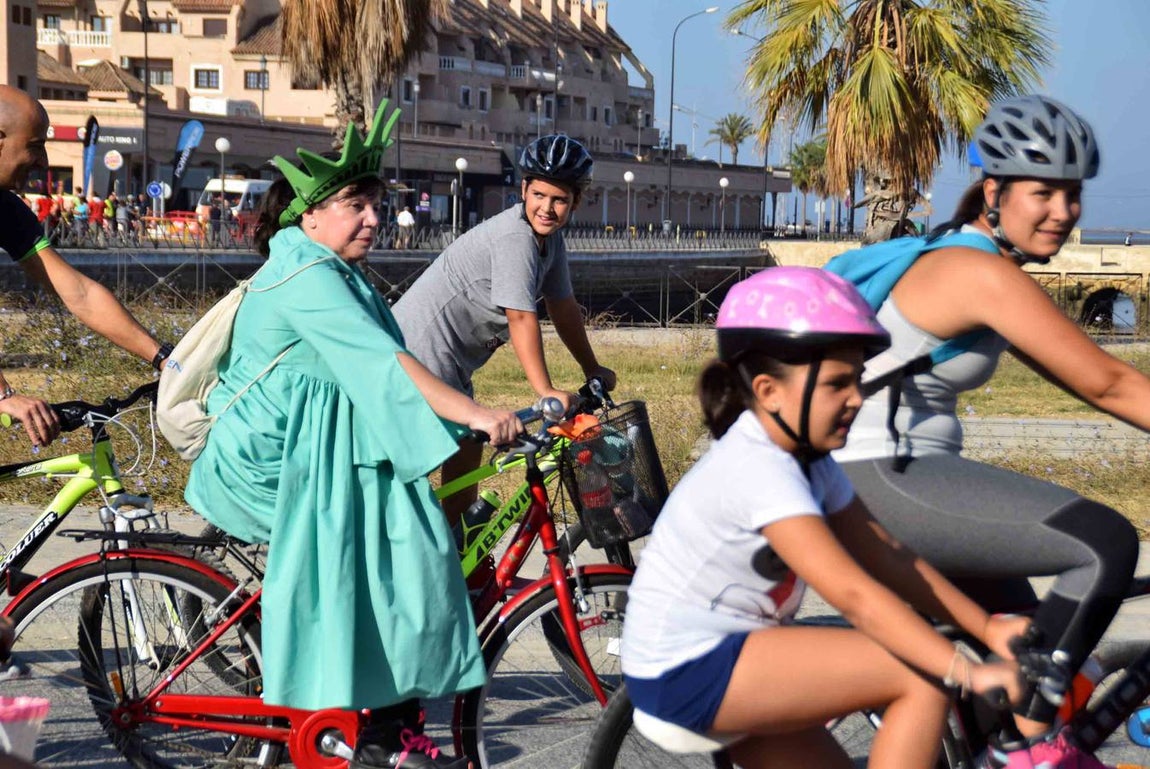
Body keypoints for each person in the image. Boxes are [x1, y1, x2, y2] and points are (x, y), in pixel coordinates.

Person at [183, 100, 521, 769]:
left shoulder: (330, 268)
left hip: (319, 448)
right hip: (277, 463)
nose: (374, 217)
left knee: (409, 537)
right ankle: (376, 735)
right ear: (309, 215)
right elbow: (383, 364)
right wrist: (479, 415)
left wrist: (461, 421)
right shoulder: (310, 275)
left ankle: (381, 722)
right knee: (407, 554)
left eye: (377, 203)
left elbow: (383, 370)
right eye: (353, 204)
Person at [832, 94, 1141, 768]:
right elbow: (1107, 382)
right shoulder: (980, 273)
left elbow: (1094, 381)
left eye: (1073, 193)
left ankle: (1000, 738)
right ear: (994, 191)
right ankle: (1032, 751)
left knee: (1023, 647)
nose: (1064, 211)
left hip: (890, 476)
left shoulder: (962, 257)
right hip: (886, 475)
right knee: (1102, 543)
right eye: (1044, 193)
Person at [620, 267, 1024, 769]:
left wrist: (988, 629)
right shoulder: (759, 466)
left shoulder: (809, 460)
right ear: (768, 391)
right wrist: (967, 671)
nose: (857, 398)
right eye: (837, 384)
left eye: (856, 380)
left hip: (731, 655)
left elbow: (887, 556)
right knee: (921, 677)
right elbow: (857, 596)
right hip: (688, 668)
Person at [393, 134, 616, 523]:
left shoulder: (549, 240)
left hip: (450, 363)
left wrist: (591, 368)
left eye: (559, 200)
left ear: (575, 202)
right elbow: (521, 317)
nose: (547, 208)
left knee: (467, 449)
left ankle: (454, 546)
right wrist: (545, 392)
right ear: (524, 190)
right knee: (412, 467)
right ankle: (411, 549)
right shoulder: (516, 237)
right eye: (539, 195)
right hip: (419, 354)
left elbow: (562, 307)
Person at [0, 84, 171, 448]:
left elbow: (78, 292)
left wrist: (163, 359)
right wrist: (3, 395)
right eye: (34, 146)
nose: (44, 162)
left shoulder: (6, 210)